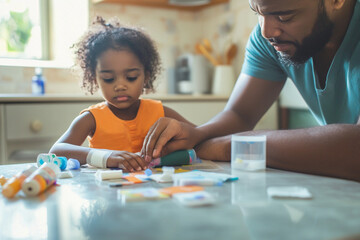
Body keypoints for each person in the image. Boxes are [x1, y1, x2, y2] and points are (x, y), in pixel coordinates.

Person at [142, 0, 360, 182]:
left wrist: (230, 146)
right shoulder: (270, 40)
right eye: (258, 13)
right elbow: (240, 114)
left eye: (284, 17)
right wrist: (199, 134)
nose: (266, 31)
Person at [50, 16, 193, 172]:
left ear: (146, 76)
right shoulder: (91, 119)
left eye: (131, 77)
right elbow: (56, 152)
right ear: (94, 78)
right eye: (109, 79)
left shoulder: (160, 112)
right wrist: (105, 157)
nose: (120, 86)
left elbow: (198, 135)